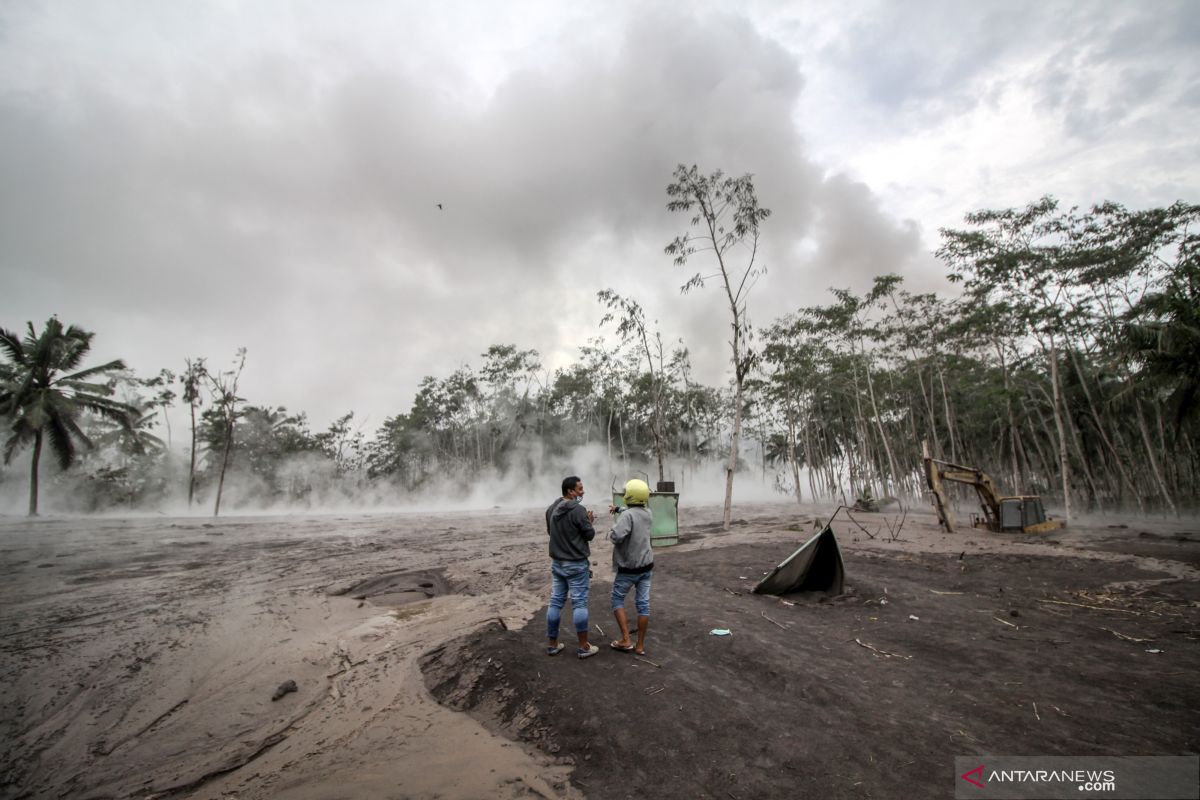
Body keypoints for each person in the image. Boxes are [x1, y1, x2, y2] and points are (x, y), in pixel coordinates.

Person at [545, 475, 599, 659]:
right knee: (579, 603)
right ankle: (584, 646)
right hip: (576, 564)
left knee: (555, 601)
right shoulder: (578, 510)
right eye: (580, 489)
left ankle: (552, 644)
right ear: (570, 491)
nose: (583, 492)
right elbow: (589, 535)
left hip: (557, 563)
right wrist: (589, 522)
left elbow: (550, 532)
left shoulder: (551, 509)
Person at [607, 478, 654, 656]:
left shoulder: (627, 517)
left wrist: (612, 527)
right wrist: (618, 510)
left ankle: (626, 640)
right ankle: (640, 645)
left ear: (630, 495)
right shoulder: (648, 513)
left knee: (617, 600)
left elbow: (616, 537)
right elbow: (633, 513)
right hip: (646, 567)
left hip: (628, 568)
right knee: (643, 605)